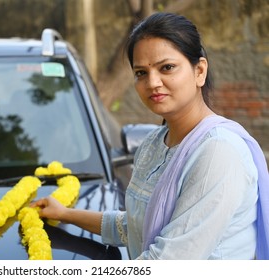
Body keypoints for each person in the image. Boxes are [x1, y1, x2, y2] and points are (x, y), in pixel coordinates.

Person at [31, 12, 269, 260]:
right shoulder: (155, 142)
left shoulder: (218, 152)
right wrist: (65, 213)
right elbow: (133, 226)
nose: (153, 82)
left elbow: (168, 262)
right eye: (141, 73)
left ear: (199, 71)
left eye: (167, 68)